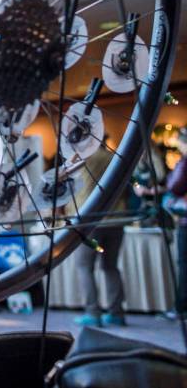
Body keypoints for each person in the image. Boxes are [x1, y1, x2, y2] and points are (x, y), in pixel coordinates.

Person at [72, 139, 126, 327]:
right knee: (111, 266)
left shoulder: (79, 158)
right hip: (116, 218)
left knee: (84, 266)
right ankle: (116, 313)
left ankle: (93, 313)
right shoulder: (114, 157)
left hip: (90, 221)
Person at [162, 133, 187, 321]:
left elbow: (174, 186)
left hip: (186, 220)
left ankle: (181, 307)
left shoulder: (185, 162)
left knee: (184, 263)